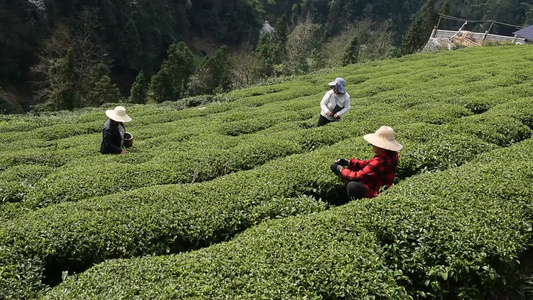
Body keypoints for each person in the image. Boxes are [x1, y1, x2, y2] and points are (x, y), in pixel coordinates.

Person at [330, 126, 402, 202]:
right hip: (381, 185)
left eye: (375, 143)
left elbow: (357, 176)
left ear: (381, 146)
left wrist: (340, 169)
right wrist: (349, 162)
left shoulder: (380, 161)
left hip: (376, 191)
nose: (372, 145)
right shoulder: (391, 154)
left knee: (353, 186)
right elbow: (369, 164)